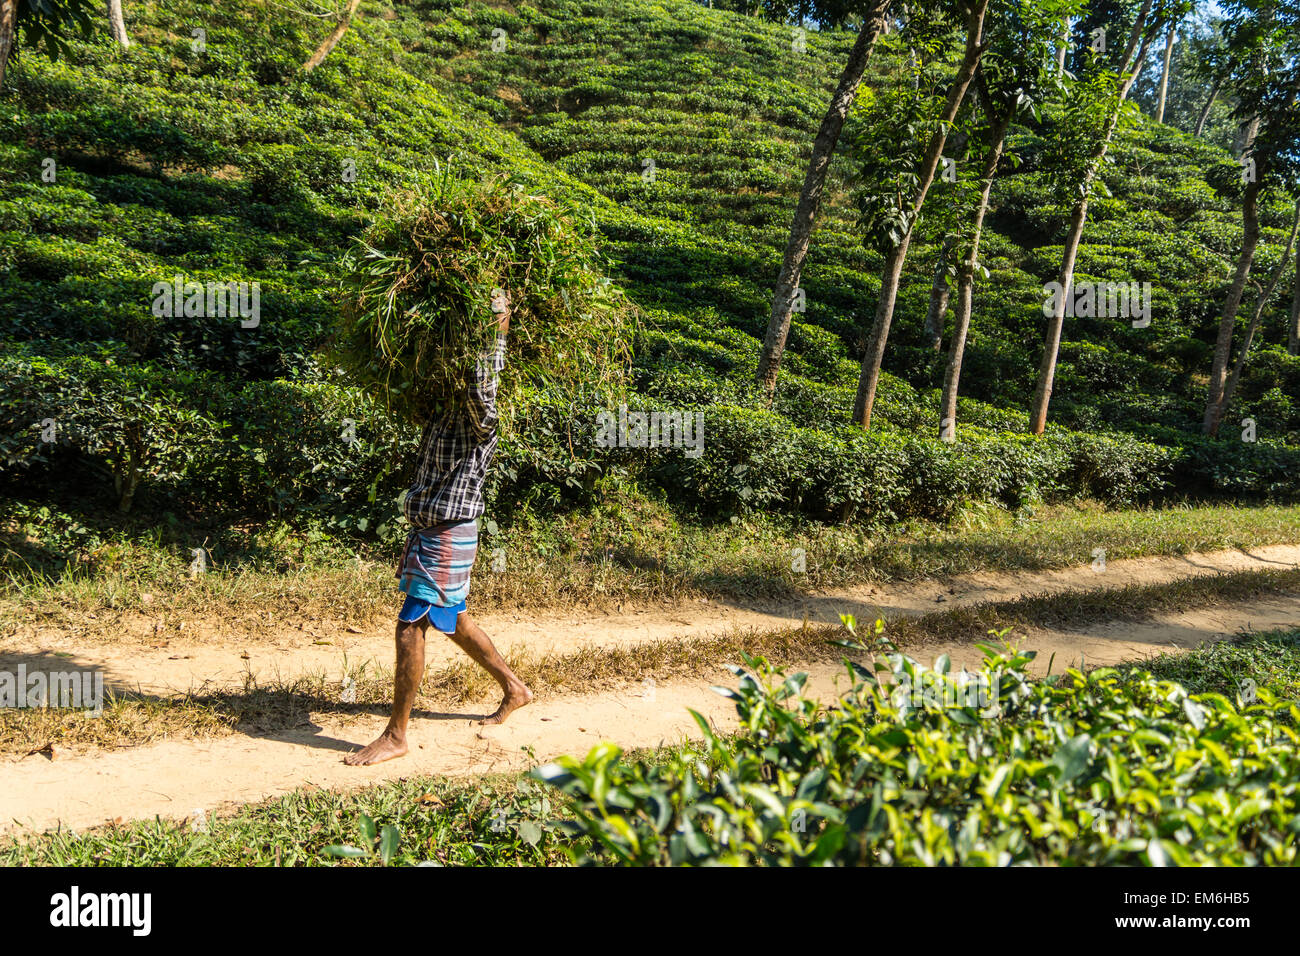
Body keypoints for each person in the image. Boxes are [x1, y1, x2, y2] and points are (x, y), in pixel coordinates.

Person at [345, 297, 532, 767]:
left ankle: (396, 735)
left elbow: (481, 384)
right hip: (432, 529)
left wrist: (496, 334)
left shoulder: (480, 419)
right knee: (457, 620)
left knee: (411, 626)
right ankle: (515, 687)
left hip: (449, 532)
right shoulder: (442, 413)